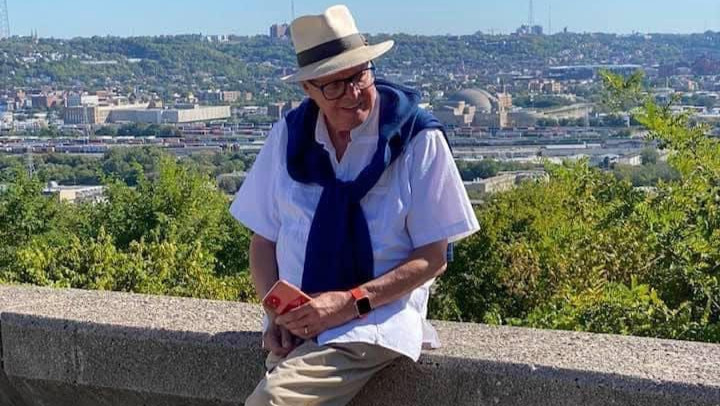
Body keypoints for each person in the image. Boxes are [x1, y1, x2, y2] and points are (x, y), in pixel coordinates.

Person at [230, 4, 479, 405]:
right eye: (334, 85)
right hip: (300, 325)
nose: (352, 93)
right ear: (308, 89)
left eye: (359, 74)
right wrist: (274, 311)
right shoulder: (288, 137)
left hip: (373, 322)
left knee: (273, 400)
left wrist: (348, 303)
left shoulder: (416, 138)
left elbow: (433, 257)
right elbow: (263, 240)